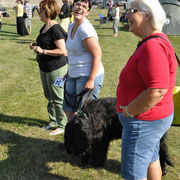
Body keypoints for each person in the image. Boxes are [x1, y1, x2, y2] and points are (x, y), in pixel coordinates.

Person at [116, 0, 177, 179]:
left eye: (131, 11)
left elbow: (157, 90)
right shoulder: (154, 40)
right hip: (152, 119)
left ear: (147, 15)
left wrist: (129, 111)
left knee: (134, 174)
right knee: (151, 157)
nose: (126, 15)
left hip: (143, 122)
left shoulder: (152, 46)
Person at [30, 0, 68, 135]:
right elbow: (45, 43)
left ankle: (62, 125)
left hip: (56, 69)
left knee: (57, 97)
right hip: (44, 67)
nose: (38, 12)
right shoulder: (45, 26)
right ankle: (53, 121)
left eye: (41, 10)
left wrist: (43, 51)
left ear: (48, 12)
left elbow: (63, 51)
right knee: (49, 95)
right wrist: (36, 45)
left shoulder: (56, 29)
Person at [63, 0, 104, 121]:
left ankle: (85, 139)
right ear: (73, 7)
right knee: (68, 108)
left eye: (84, 7)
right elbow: (73, 53)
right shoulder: (71, 26)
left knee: (86, 114)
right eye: (78, 5)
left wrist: (91, 80)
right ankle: (72, 137)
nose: (80, 8)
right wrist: (69, 71)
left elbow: (97, 55)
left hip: (87, 75)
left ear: (87, 12)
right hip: (73, 74)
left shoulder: (85, 29)